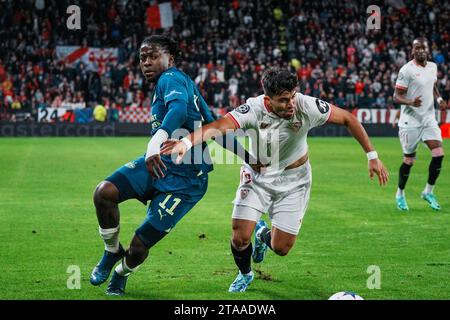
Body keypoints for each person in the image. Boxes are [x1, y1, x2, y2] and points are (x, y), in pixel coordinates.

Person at [161, 68, 389, 292]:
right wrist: (186, 142)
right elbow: (220, 126)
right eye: (283, 100)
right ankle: (245, 274)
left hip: (295, 180)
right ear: (268, 100)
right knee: (240, 238)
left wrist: (372, 156)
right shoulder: (253, 109)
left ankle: (262, 235)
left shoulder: (306, 105)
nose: (291, 104)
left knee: (281, 248)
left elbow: (349, 119)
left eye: (292, 96)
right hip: (258, 176)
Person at [89, 35, 251, 296]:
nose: (146, 62)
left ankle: (121, 273)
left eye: (153, 56)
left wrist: (158, 139)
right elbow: (215, 129)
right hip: (159, 164)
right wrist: (248, 156)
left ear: (170, 59)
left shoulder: (171, 78)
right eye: (142, 58)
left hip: (185, 181)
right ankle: (111, 252)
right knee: (104, 192)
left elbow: (176, 110)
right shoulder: (184, 84)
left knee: (139, 246)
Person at [394, 37, 447, 211]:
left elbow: (432, 85)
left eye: (423, 47)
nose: (420, 50)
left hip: (428, 118)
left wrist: (439, 98)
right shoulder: (406, 70)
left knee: (439, 154)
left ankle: (428, 191)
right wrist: (410, 102)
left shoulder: (433, 67)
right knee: (409, 160)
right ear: (412, 50)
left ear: (428, 49)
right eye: (417, 48)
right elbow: (396, 96)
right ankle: (400, 194)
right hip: (410, 121)